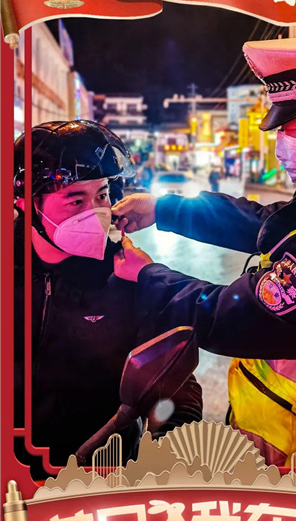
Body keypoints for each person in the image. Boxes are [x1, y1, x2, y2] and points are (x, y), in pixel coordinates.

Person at [111, 38, 296, 473]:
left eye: (289, 125)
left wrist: (148, 277)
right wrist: (164, 208)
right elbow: (268, 224)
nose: (279, 141)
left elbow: (231, 318)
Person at [14, 120, 202, 476]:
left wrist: (171, 454)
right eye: (76, 200)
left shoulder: (129, 275)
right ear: (26, 202)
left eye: (101, 195)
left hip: (105, 477)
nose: (96, 212)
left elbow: (175, 388)